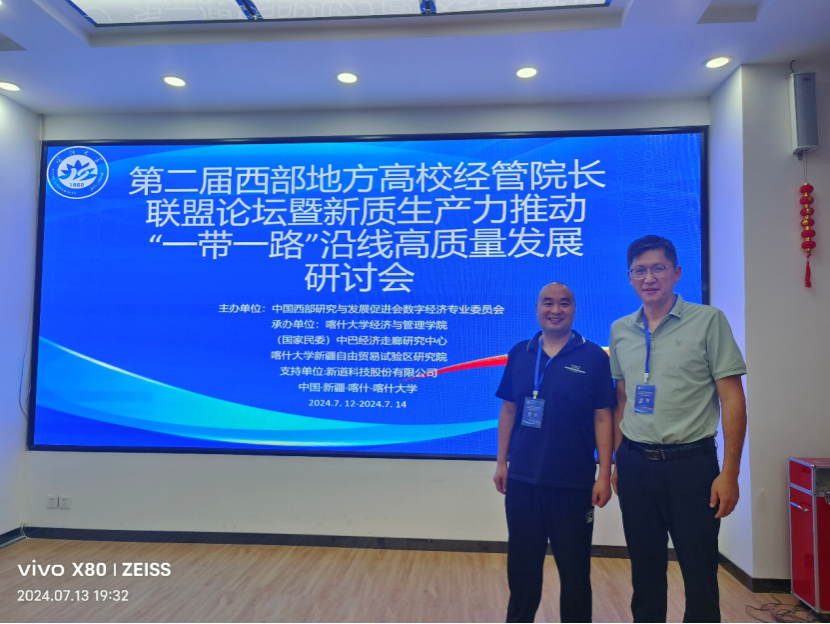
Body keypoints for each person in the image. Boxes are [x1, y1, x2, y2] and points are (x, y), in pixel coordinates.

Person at [609, 235, 747, 623]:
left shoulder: (708, 321)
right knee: (645, 571)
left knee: (699, 571)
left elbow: (733, 400)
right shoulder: (620, 330)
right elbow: (622, 399)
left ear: (677, 273)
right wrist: (618, 461)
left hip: (692, 466)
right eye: (639, 270)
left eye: (658, 268)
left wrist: (730, 473)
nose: (649, 278)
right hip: (635, 464)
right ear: (629, 277)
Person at [493, 282, 615, 623]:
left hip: (573, 484)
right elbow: (509, 410)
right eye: (548, 303)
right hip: (523, 481)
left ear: (574, 309)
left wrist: (604, 474)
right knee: (522, 570)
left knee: (575, 573)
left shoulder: (594, 356)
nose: (556, 310)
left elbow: (603, 417)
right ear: (537, 308)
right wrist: (501, 462)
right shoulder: (520, 352)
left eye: (564, 303)